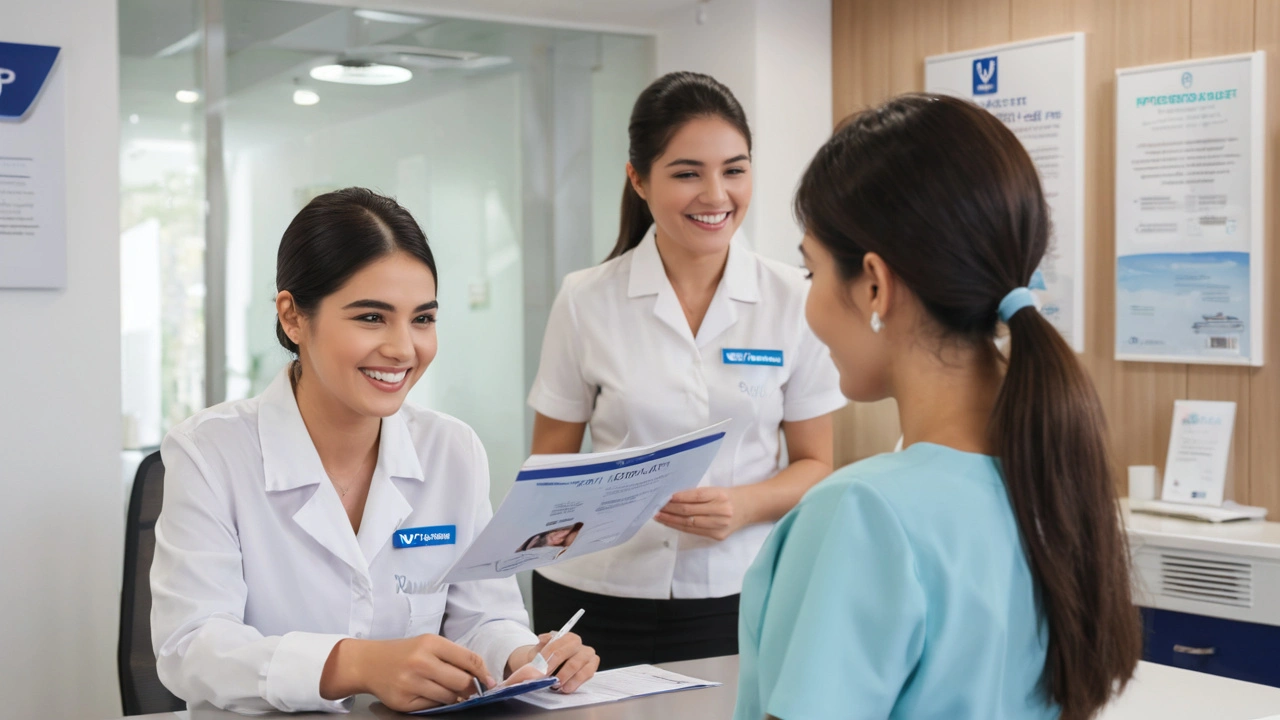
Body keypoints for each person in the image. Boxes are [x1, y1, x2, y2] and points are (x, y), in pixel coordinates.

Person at [734, 94, 1142, 720]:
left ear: (874, 283)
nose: (806, 302)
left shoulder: (863, 513)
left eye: (810, 271)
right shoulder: (1055, 475)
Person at [150, 188, 598, 714]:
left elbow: (481, 617)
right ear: (293, 317)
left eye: (423, 319)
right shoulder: (210, 452)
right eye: (370, 317)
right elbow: (193, 646)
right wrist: (355, 664)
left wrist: (522, 655)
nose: (403, 348)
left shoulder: (451, 449)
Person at [527, 72, 846, 668]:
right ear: (639, 180)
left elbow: (817, 463)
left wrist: (744, 505)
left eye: (734, 169)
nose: (717, 195)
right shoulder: (585, 299)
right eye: (687, 173)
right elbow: (550, 465)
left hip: (735, 591)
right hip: (593, 593)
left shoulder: (794, 297)